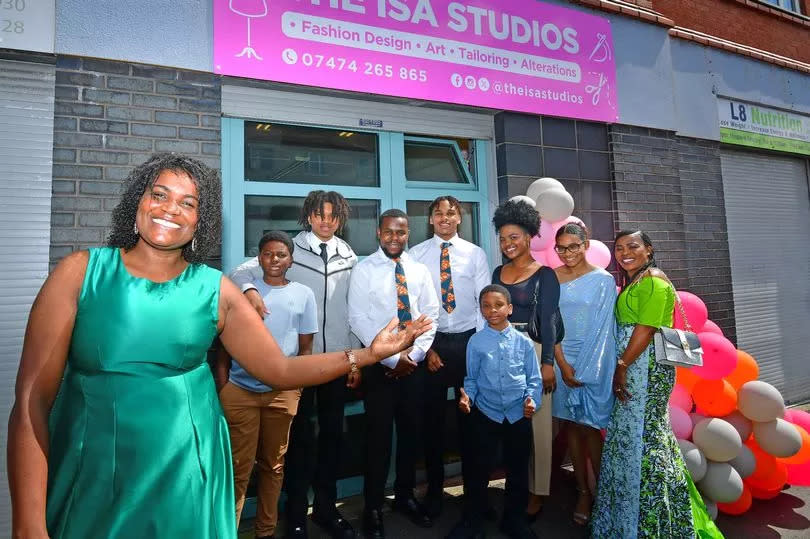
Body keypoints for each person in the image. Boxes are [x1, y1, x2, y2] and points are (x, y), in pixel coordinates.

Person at [7, 154, 430, 539]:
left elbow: (278, 371)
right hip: (91, 471)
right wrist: (28, 523)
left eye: (188, 203)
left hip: (185, 472)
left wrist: (368, 355)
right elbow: (31, 401)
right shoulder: (79, 273)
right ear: (137, 202)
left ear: (200, 220)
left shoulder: (214, 290)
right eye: (160, 194)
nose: (171, 208)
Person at [230, 190, 359, 539]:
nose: (326, 221)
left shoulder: (348, 254)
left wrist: (353, 358)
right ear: (308, 216)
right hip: (298, 365)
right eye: (320, 215)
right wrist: (250, 292)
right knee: (300, 443)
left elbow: (352, 310)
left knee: (333, 439)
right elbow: (239, 272)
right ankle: (297, 515)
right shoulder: (288, 250)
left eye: (333, 216)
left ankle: (327, 510)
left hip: (334, 362)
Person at [591, 230, 722, 539]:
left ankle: (656, 521)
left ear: (648, 249)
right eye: (619, 247)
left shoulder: (654, 280)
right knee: (634, 438)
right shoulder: (635, 280)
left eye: (633, 246)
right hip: (632, 365)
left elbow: (647, 328)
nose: (625, 252)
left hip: (644, 368)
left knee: (646, 438)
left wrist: (622, 366)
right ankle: (631, 518)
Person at [215, 231, 318, 539]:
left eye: (281, 255)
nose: (275, 260)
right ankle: (226, 532)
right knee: (237, 470)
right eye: (268, 254)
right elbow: (223, 345)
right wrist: (223, 386)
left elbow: (306, 348)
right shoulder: (242, 291)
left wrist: (295, 388)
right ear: (258, 258)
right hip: (240, 393)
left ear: (291, 260)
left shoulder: (303, 294)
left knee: (273, 467)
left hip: (281, 394)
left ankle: (265, 532)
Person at [347, 209, 439, 539]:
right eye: (388, 232)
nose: (394, 238)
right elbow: (357, 318)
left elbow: (430, 316)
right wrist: (390, 358)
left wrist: (412, 356)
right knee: (378, 440)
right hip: (379, 369)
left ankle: (404, 497)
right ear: (378, 233)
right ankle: (372, 507)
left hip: (413, 368)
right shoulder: (364, 269)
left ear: (408, 233)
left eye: (400, 232)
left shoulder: (419, 270)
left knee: (411, 436)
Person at [408, 195, 490, 518]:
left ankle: (475, 497)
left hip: (470, 342)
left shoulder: (475, 254)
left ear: (460, 219)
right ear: (430, 219)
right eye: (438, 213)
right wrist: (426, 349)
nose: (444, 218)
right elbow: (413, 307)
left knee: (472, 423)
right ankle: (435, 494)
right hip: (434, 345)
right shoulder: (416, 255)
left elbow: (484, 302)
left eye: (451, 213)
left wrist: (480, 350)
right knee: (433, 424)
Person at [447, 284, 541, 539]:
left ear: (509, 309)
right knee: (478, 470)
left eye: (498, 305)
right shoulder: (476, 342)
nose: (493, 310)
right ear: (481, 311)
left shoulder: (524, 342)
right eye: (486, 306)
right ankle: (472, 522)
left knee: (518, 471)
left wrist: (532, 400)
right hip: (486, 414)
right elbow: (472, 379)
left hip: (517, 414)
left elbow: (533, 378)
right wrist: (469, 399)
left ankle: (514, 521)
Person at [490, 199, 560, 520]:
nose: (508, 244)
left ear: (530, 236)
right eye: (503, 238)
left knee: (539, 426)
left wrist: (547, 363)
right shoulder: (497, 271)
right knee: (511, 421)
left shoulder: (545, 275)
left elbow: (547, 320)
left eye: (514, 237)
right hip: (502, 350)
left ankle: (538, 491)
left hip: (532, 351)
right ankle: (516, 483)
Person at [549, 222, 616, 526]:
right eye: (561, 248)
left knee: (590, 428)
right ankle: (583, 492)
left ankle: (605, 494)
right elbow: (551, 325)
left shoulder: (603, 280)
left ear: (586, 245)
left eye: (573, 246)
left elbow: (605, 330)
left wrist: (586, 369)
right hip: (564, 360)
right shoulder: (552, 278)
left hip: (594, 362)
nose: (568, 253)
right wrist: (562, 364)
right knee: (572, 427)